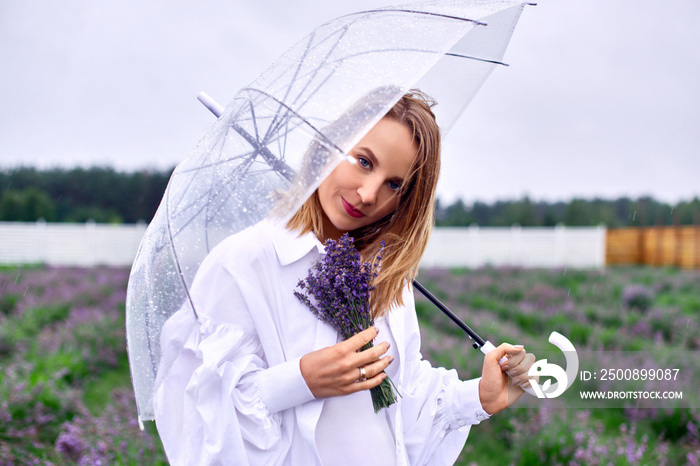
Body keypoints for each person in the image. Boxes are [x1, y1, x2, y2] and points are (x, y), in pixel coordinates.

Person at [153, 90, 536, 465]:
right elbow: (203, 415)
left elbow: (398, 407)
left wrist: (479, 397)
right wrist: (301, 379)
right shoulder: (245, 262)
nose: (369, 194)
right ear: (329, 148)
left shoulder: (385, 273)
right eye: (364, 161)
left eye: (395, 184)